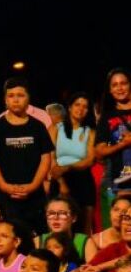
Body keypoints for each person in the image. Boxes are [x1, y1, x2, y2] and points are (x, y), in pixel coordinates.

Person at [0, 78, 53, 233]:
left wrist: (33, 186)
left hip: (35, 198)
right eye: (11, 96)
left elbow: (46, 158)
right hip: (4, 198)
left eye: (20, 95)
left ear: (28, 98)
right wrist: (4, 186)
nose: (15, 100)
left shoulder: (38, 126)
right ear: (5, 100)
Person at [49, 93, 96, 234]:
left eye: (85, 106)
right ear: (69, 107)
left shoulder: (90, 132)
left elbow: (89, 160)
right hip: (59, 179)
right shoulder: (55, 128)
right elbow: (51, 158)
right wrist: (62, 183)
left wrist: (69, 166)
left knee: (84, 229)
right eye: (77, 104)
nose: (80, 109)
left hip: (83, 180)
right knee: (58, 227)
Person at [95, 68, 131, 193]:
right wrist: (123, 144)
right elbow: (99, 152)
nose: (120, 88)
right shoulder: (106, 117)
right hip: (121, 186)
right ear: (110, 90)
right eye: (115, 85)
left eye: (123, 83)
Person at [38, 196, 93, 262]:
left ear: (74, 218)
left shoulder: (86, 242)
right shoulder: (38, 242)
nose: (56, 218)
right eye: (51, 213)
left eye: (62, 213)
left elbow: (91, 270)